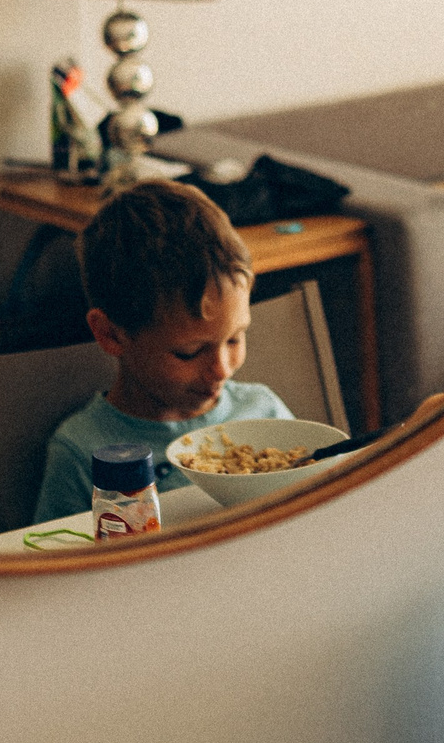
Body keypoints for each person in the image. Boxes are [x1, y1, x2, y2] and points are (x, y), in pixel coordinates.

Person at [33, 182, 292, 522]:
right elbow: (57, 566)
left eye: (234, 339)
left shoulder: (265, 413)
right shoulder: (83, 453)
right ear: (110, 334)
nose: (222, 370)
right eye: (189, 352)